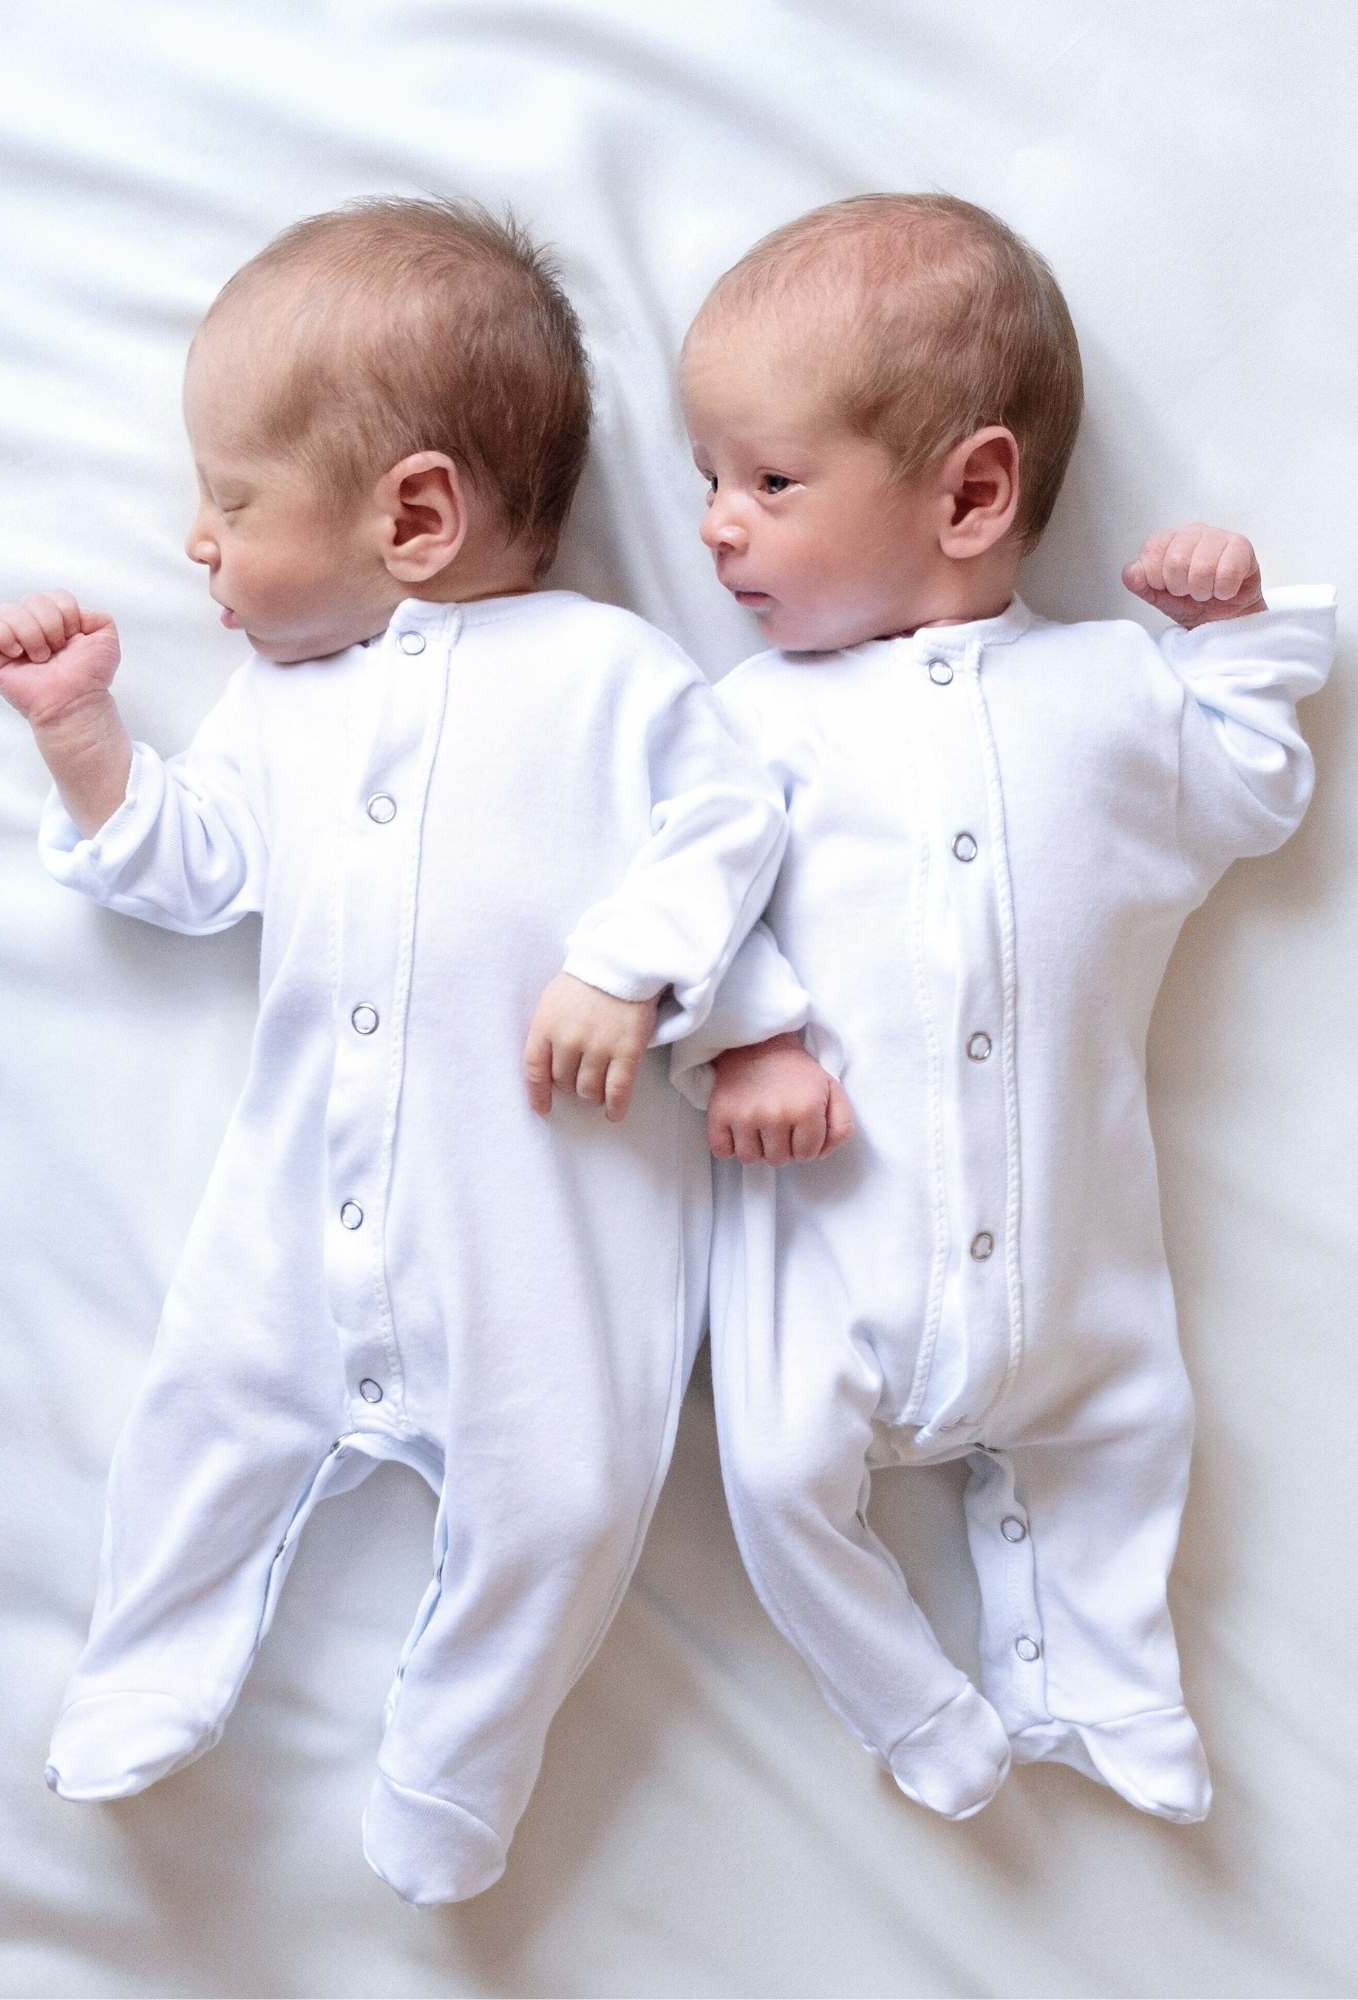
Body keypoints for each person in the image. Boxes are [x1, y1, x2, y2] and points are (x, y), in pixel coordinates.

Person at [0, 197, 788, 1905]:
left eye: (232, 501)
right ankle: (140, 1676)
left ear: (413, 516)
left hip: (537, 1246)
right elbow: (192, 871)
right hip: (295, 1216)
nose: (195, 545)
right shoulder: (283, 707)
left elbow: (731, 826)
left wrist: (626, 967)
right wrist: (87, 743)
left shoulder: (610, 678)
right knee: (205, 1418)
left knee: (562, 1504)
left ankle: (456, 1770)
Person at [671, 192, 1336, 1824]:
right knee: (772, 1468)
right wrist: (745, 1034)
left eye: (766, 481)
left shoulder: (1110, 694)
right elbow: (666, 894)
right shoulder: (745, 723)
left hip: (1069, 1250)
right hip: (830, 1237)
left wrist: (1230, 636)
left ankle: (1106, 1690)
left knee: (1123, 1430)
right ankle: (912, 1708)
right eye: (704, 481)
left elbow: (1250, 787)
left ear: (970, 493)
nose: (714, 528)